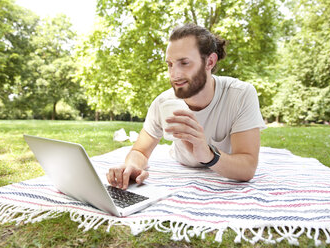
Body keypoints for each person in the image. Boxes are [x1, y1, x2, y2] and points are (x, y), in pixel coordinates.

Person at [106, 23, 266, 190]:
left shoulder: (239, 95)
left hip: (225, 170)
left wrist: (208, 155)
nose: (174, 75)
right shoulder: (163, 103)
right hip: (181, 165)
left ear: (209, 61)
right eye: (170, 64)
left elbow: (247, 168)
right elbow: (139, 151)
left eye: (184, 63)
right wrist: (133, 166)